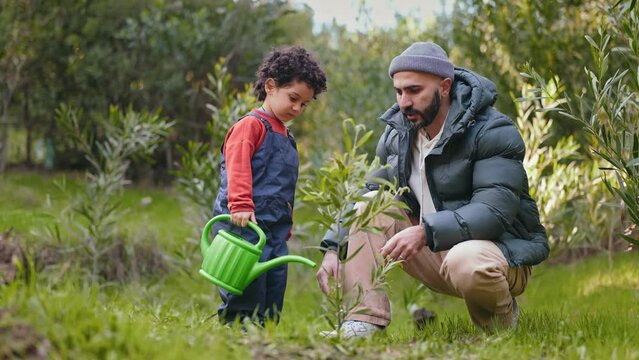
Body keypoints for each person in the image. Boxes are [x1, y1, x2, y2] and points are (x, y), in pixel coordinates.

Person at [317, 42, 549, 338]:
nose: (404, 102)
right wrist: (333, 249)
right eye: (399, 92)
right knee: (370, 206)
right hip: (436, 253)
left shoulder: (492, 131)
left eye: (414, 91)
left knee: (466, 259)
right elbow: (369, 190)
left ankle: (501, 325)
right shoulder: (399, 134)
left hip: (497, 257)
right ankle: (364, 322)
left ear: (444, 86)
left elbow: (494, 211)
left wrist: (425, 231)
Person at [212, 46, 327, 326]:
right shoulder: (251, 126)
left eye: (304, 104)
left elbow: (283, 186)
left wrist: (286, 223)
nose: (298, 108)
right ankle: (239, 328)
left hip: (274, 229)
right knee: (246, 281)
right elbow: (237, 167)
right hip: (244, 223)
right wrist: (239, 205)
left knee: (274, 281)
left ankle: (267, 332)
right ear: (271, 87)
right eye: (293, 99)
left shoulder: (286, 136)